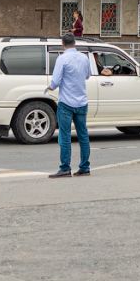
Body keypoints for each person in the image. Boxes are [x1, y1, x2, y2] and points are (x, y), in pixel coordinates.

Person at [45, 33, 90, 178]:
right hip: (82, 102)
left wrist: (50, 87)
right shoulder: (84, 58)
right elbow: (88, 75)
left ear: (62, 43)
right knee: (83, 135)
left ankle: (65, 168)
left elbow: (56, 81)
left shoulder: (62, 59)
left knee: (65, 136)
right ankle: (85, 167)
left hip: (66, 103)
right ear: (74, 43)